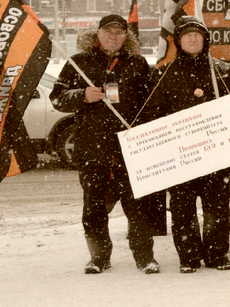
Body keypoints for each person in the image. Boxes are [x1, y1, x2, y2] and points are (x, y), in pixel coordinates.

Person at [50, 14, 158, 274]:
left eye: (119, 32)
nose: (113, 36)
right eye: (108, 31)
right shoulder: (78, 63)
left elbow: (152, 102)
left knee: (138, 209)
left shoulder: (138, 63)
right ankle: (99, 258)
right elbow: (57, 98)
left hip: (130, 149)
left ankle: (145, 258)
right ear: (97, 34)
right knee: (94, 208)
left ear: (126, 37)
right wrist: (82, 95)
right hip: (92, 149)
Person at [144, 16, 230, 273]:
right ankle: (188, 257)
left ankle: (217, 254)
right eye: (188, 35)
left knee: (217, 208)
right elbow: (153, 115)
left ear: (205, 39)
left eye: (198, 35)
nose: (193, 39)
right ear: (178, 41)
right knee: (182, 209)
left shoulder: (221, 69)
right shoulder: (164, 74)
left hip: (215, 154)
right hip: (180, 157)